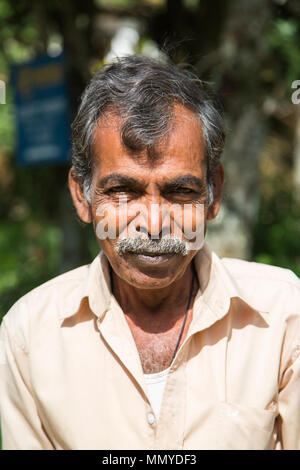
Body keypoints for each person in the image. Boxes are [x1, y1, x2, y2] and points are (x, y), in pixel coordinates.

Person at [1, 55, 300, 451]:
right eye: (123, 191)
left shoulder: (282, 318)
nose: (155, 224)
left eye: (180, 191)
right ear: (82, 195)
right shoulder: (29, 336)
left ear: (214, 193)